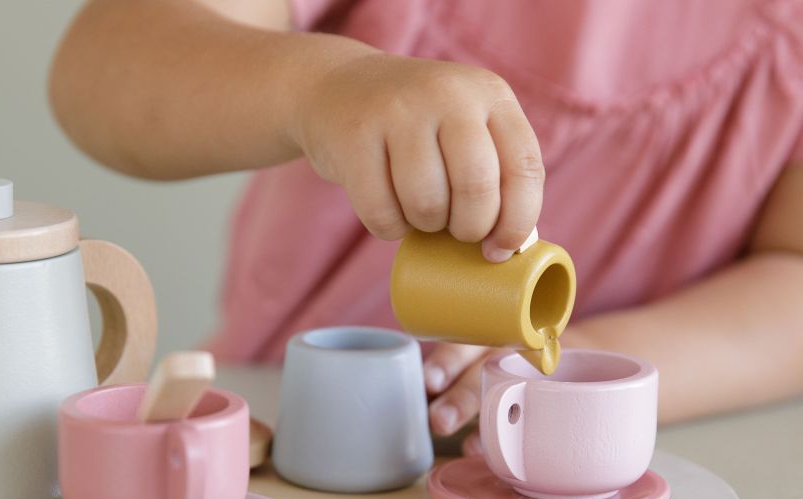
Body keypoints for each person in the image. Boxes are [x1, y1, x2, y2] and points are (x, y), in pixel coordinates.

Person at [48, 0, 803, 445]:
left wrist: (595, 362)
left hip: (613, 469)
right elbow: (103, 64)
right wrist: (323, 86)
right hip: (291, 434)